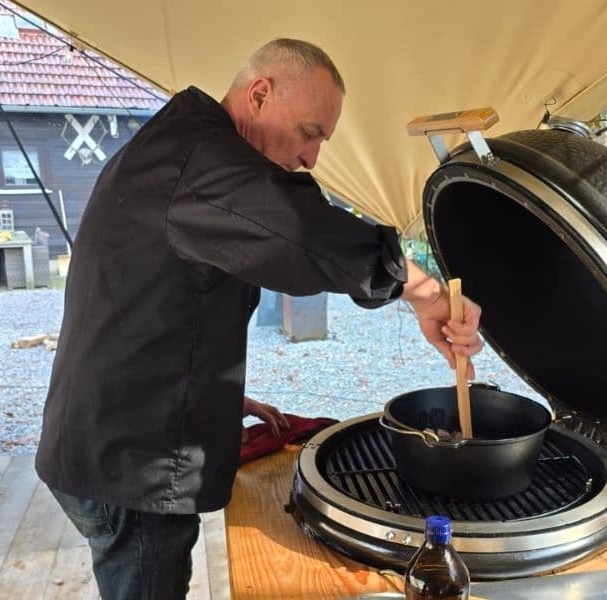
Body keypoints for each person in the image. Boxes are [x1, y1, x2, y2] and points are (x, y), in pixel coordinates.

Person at [36, 38, 484, 599]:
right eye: (310, 132)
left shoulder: (184, 150)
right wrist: (423, 291)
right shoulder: (200, 162)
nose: (311, 157)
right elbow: (303, 232)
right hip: (131, 467)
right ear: (259, 94)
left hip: (113, 431)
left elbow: (150, 305)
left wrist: (210, 394)